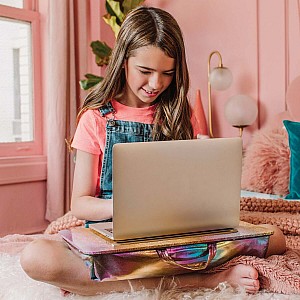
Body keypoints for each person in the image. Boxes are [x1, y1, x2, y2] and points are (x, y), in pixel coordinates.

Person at [20, 6, 286, 296]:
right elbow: (81, 204)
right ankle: (201, 280)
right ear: (122, 61)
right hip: (117, 238)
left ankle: (127, 278)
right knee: (37, 257)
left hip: (177, 234)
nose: (156, 83)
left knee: (275, 238)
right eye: (145, 71)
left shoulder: (180, 113)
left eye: (167, 73)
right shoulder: (96, 118)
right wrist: (131, 211)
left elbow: (199, 185)